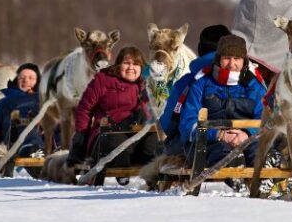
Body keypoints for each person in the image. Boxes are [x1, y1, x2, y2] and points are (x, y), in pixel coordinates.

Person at [65, 46, 158, 183]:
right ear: (119, 64)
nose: (131, 67)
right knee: (116, 142)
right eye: (126, 63)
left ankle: (156, 176)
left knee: (153, 142)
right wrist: (81, 136)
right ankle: (122, 171)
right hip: (108, 133)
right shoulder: (103, 79)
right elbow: (84, 109)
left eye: (136, 64)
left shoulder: (147, 84)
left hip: (138, 133)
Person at [178, 35, 265, 169]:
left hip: (247, 139)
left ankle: (264, 179)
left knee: (260, 153)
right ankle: (235, 167)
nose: (231, 64)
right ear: (218, 59)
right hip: (210, 142)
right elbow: (188, 124)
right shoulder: (201, 84)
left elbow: (265, 119)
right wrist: (219, 134)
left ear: (244, 61)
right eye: (226, 58)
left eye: (237, 58)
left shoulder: (254, 86)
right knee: (222, 154)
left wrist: (246, 133)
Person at [159, 24, 232, 156]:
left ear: (200, 49)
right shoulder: (247, 78)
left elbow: (168, 124)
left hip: (197, 144)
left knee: (165, 149)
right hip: (241, 139)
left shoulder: (188, 82)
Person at [0, 63, 44, 158]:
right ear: (16, 80)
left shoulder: (43, 99)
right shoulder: (4, 101)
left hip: (42, 140)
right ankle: (30, 148)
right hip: (13, 140)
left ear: (38, 81)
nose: (26, 80)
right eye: (22, 77)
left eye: (31, 78)